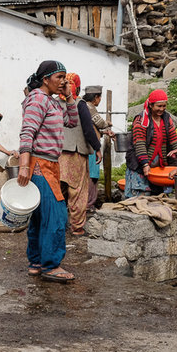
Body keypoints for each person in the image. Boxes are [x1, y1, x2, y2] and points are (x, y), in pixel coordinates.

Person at [18, 60, 79, 283]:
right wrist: (24, 166)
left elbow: (72, 122)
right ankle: (50, 265)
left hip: (50, 164)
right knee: (56, 215)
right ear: (46, 79)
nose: (64, 81)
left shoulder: (52, 102)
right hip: (39, 165)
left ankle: (36, 262)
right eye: (59, 77)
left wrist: (69, 96)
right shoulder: (37, 99)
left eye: (65, 77)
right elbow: (27, 133)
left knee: (40, 216)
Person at [59, 73, 102, 236]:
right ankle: (77, 228)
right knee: (77, 192)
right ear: (76, 86)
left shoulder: (54, 103)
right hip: (76, 154)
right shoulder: (79, 104)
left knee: (59, 192)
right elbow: (88, 129)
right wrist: (97, 147)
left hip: (56, 155)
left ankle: (59, 226)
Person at [125, 89, 177, 197]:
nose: (162, 109)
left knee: (158, 195)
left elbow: (173, 137)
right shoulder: (141, 120)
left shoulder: (166, 118)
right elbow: (139, 144)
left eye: (164, 106)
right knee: (140, 195)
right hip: (140, 161)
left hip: (159, 162)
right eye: (158, 106)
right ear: (151, 105)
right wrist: (145, 164)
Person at [83, 85, 113, 211]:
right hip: (90, 147)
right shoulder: (89, 107)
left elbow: (91, 128)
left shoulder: (82, 106)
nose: (99, 100)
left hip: (88, 145)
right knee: (92, 176)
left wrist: (104, 133)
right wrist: (108, 124)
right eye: (99, 97)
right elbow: (100, 123)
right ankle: (88, 204)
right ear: (96, 97)